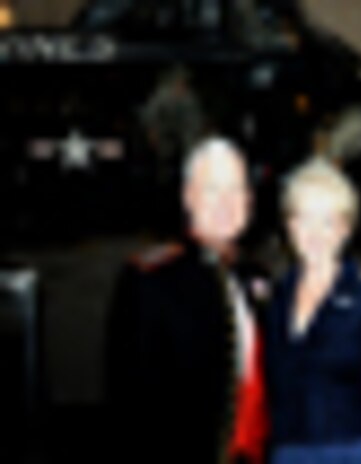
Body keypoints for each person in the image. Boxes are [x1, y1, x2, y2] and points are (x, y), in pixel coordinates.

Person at [106, 138, 268, 464]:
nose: (226, 202)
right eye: (212, 189)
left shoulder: (255, 275)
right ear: (188, 197)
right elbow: (132, 410)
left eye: (236, 189)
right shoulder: (151, 279)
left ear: (249, 200)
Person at [264, 159, 361, 464]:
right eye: (305, 219)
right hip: (288, 451)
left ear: (345, 229)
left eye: (328, 221)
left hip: (350, 450)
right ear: (290, 226)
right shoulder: (277, 298)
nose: (315, 232)